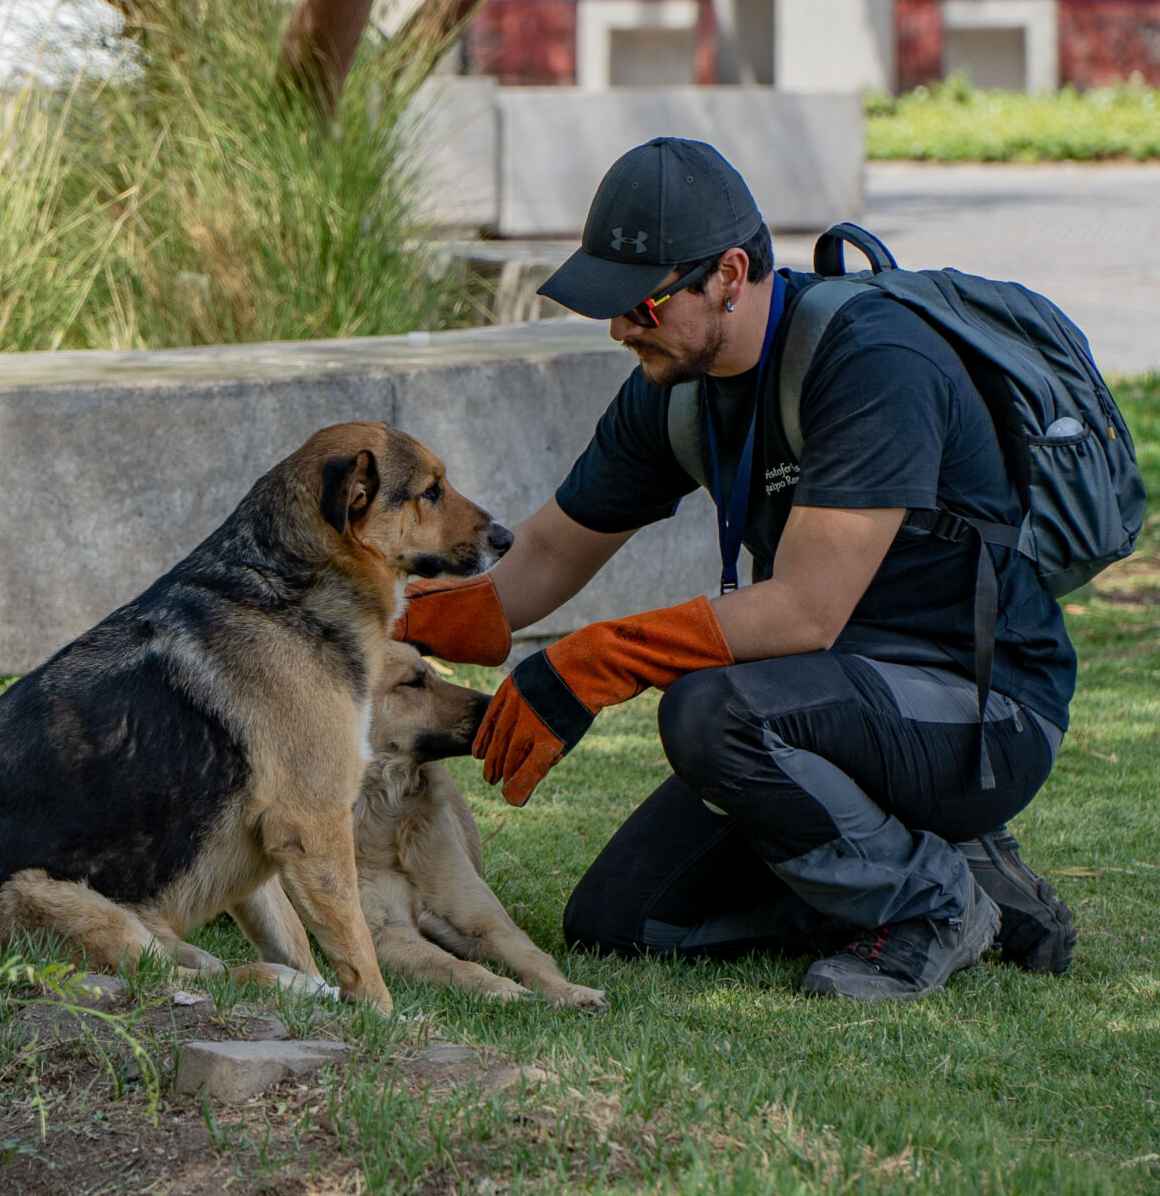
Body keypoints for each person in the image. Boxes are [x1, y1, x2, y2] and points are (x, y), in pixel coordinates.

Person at [395, 138, 1076, 1002]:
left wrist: (597, 661)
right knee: (624, 921)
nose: (618, 328)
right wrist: (371, 614)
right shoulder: (675, 383)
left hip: (978, 711)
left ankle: (931, 906)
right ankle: (954, 867)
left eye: (640, 303)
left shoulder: (873, 360)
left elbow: (803, 614)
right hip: (829, 709)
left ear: (728, 273)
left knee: (709, 709)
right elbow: (545, 559)